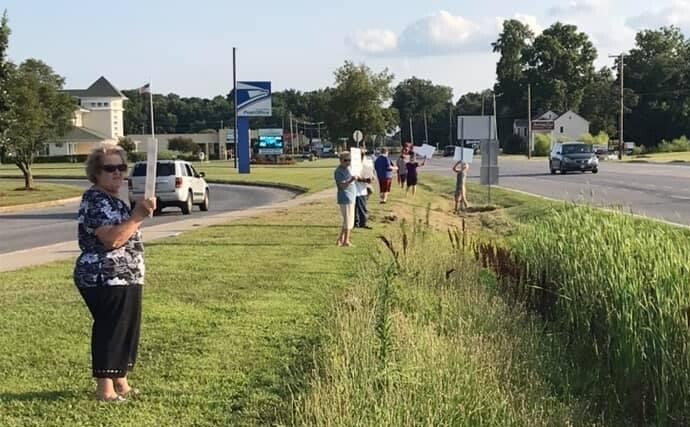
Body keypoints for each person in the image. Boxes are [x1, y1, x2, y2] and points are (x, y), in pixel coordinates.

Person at [74, 144, 156, 402]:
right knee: (111, 328)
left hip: (125, 276)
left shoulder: (113, 200)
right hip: (104, 275)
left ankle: (121, 382)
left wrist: (135, 215)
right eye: (110, 169)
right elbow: (111, 239)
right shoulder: (95, 200)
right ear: (96, 173)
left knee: (125, 328)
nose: (118, 173)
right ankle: (105, 390)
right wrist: (137, 216)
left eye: (122, 168)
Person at [334, 152, 358, 246]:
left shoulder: (349, 168)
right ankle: (346, 241)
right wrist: (351, 180)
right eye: (346, 160)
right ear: (340, 160)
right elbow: (341, 185)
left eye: (349, 160)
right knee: (348, 220)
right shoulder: (338, 171)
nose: (348, 162)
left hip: (351, 195)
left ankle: (341, 239)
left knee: (349, 219)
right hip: (345, 196)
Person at [354, 150, 374, 229]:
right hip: (356, 188)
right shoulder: (354, 165)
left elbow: (371, 174)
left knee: (362, 206)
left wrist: (371, 178)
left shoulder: (366, 164)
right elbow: (356, 177)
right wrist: (366, 180)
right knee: (359, 207)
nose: (362, 156)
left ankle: (360, 223)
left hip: (363, 188)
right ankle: (359, 223)